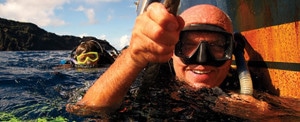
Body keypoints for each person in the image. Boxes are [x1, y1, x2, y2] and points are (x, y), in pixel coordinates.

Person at [66, 3, 300, 120]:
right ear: (172, 48)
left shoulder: (245, 92)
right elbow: (84, 110)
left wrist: (270, 115)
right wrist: (133, 56)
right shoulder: (148, 83)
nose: (201, 60)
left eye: (217, 46)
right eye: (188, 44)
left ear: (233, 51)